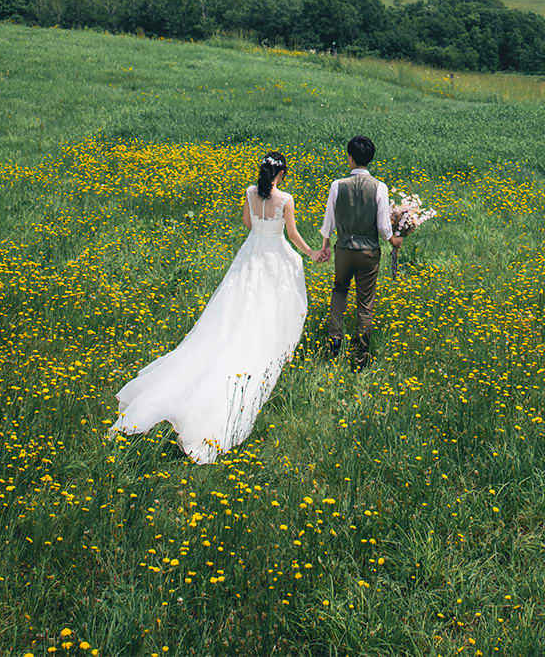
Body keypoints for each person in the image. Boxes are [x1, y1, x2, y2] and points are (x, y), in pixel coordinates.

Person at [110, 151, 315, 464]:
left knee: (238, 302)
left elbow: (247, 222)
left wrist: (260, 228)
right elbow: (292, 233)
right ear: (282, 173)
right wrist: (311, 253)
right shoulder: (285, 199)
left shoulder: (250, 192)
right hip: (273, 253)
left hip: (251, 252)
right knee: (271, 301)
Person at [314, 135, 401, 369]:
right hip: (368, 251)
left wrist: (325, 246)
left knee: (339, 290)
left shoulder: (337, 185)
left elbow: (329, 220)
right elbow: (383, 225)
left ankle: (335, 338)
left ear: (350, 158)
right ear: (369, 159)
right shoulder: (379, 187)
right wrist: (392, 240)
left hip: (344, 248)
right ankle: (360, 355)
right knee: (365, 302)